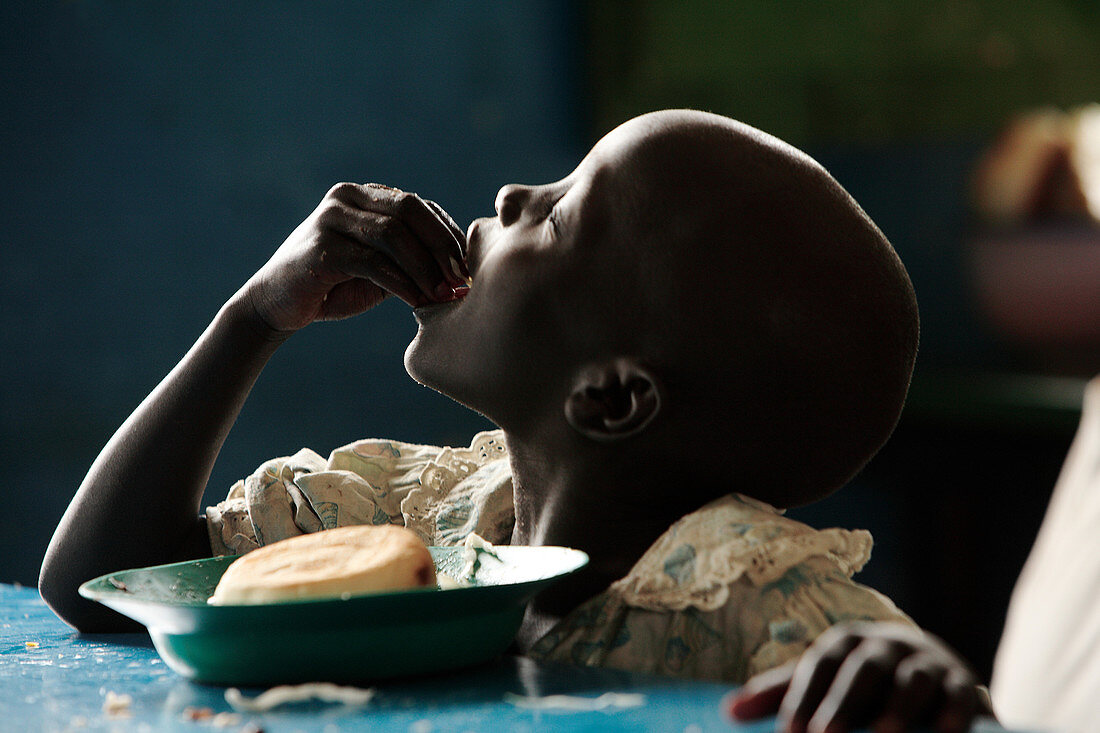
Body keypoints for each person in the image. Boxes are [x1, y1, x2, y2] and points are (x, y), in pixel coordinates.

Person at [40, 110, 988, 731]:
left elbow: (923, 690)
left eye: (562, 215)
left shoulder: (743, 595)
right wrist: (252, 316)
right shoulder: (430, 522)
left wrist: (921, 678)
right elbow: (92, 585)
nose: (509, 197)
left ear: (609, 397)